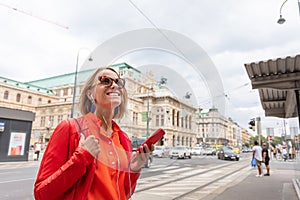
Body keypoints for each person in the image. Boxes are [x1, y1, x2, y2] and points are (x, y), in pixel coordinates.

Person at [34, 67, 153, 200]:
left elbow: (123, 193)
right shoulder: (70, 129)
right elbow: (41, 193)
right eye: (106, 81)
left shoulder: (123, 138)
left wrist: (134, 170)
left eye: (119, 83)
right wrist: (81, 157)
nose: (114, 85)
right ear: (90, 94)